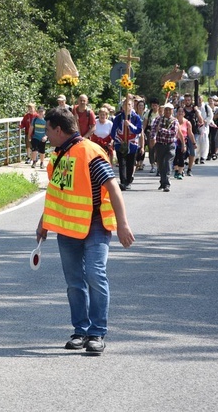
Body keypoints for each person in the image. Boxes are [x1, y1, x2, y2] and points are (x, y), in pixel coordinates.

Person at [35, 106, 134, 355]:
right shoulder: (59, 155)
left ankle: (97, 333)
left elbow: (113, 187)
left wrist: (123, 224)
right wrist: (44, 221)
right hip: (68, 227)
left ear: (59, 130)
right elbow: (57, 192)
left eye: (48, 130)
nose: (46, 135)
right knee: (74, 283)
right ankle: (80, 331)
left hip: (96, 226)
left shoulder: (89, 152)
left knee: (94, 274)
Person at [110, 98, 142, 190]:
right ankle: (123, 182)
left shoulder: (136, 118)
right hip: (120, 144)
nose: (127, 107)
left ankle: (128, 181)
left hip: (132, 144)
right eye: (125, 105)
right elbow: (113, 132)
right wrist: (119, 140)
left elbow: (138, 130)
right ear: (122, 106)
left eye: (129, 105)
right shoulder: (118, 118)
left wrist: (130, 125)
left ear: (132, 106)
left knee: (130, 163)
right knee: (122, 163)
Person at [150, 103, 179, 192]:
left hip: (170, 145)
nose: (167, 111)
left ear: (172, 111)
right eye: (166, 109)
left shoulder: (174, 121)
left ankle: (167, 184)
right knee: (161, 164)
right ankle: (162, 182)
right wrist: (152, 138)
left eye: (169, 110)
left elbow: (173, 133)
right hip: (159, 145)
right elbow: (153, 130)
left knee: (167, 163)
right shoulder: (158, 119)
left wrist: (162, 130)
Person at [180, 95, 203, 175]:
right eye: (186, 100)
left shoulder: (194, 110)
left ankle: (189, 169)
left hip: (193, 133)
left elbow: (201, 120)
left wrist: (196, 111)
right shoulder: (181, 110)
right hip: (183, 133)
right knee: (182, 151)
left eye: (189, 100)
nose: (187, 102)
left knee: (192, 152)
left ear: (191, 100)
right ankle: (181, 168)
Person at [173, 108, 196, 179]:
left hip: (183, 142)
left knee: (181, 157)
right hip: (174, 141)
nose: (180, 113)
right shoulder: (173, 121)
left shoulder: (187, 122)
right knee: (174, 157)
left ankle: (180, 172)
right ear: (176, 113)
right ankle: (176, 170)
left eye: (182, 112)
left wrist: (194, 143)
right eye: (179, 111)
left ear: (184, 113)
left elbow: (190, 133)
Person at [143, 98, 161, 173]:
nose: (154, 107)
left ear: (158, 106)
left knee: (159, 149)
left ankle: (158, 164)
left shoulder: (160, 113)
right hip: (150, 131)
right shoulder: (148, 113)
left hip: (159, 132)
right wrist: (142, 132)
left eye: (156, 105)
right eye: (153, 105)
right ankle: (152, 165)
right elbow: (145, 123)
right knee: (151, 149)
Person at [197, 95, 213, 165]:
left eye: (200, 99)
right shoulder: (196, 107)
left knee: (204, 141)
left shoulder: (206, 107)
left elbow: (210, 115)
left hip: (204, 127)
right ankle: (197, 156)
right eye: (198, 99)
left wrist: (206, 121)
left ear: (202, 100)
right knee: (197, 142)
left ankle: (203, 157)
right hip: (197, 127)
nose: (199, 101)